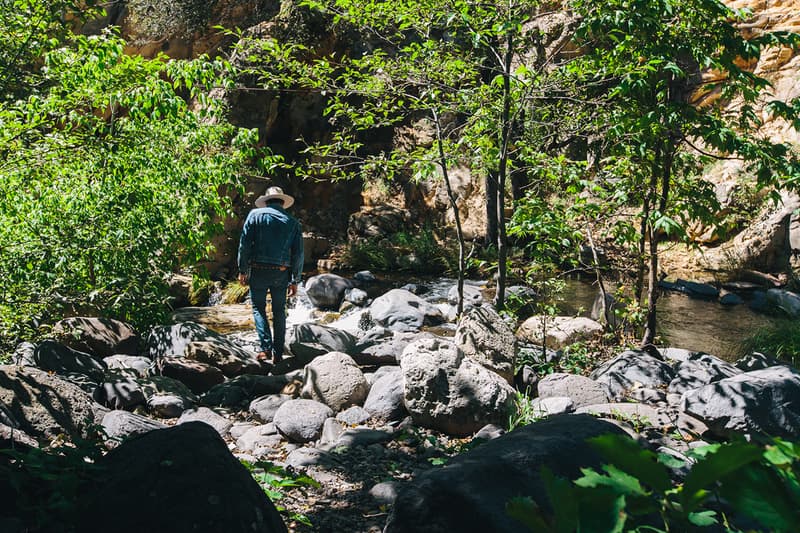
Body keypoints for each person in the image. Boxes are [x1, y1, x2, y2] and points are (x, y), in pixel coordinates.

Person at [237, 186, 304, 365]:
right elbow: (298, 254)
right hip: (281, 273)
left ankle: (265, 348)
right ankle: (278, 353)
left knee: (259, 308)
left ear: (266, 201)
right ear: (282, 202)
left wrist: (242, 269)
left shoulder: (254, 215)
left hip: (258, 270)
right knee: (279, 311)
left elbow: (244, 245)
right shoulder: (293, 222)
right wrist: (295, 279)